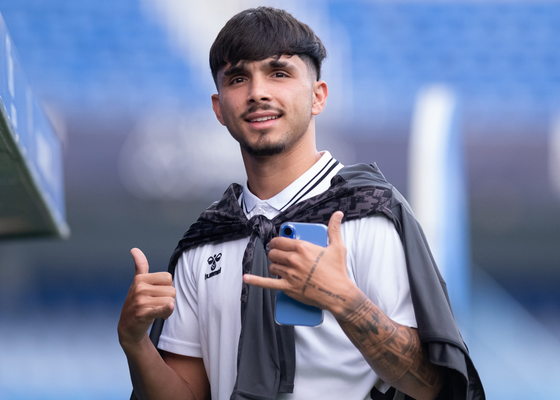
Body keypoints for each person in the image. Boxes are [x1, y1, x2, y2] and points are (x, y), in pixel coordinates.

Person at [118, 7, 484, 400]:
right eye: (238, 78)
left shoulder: (368, 215)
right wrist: (134, 343)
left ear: (317, 96)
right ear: (219, 107)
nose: (258, 92)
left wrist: (345, 301)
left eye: (279, 73)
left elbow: (432, 385)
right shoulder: (205, 243)